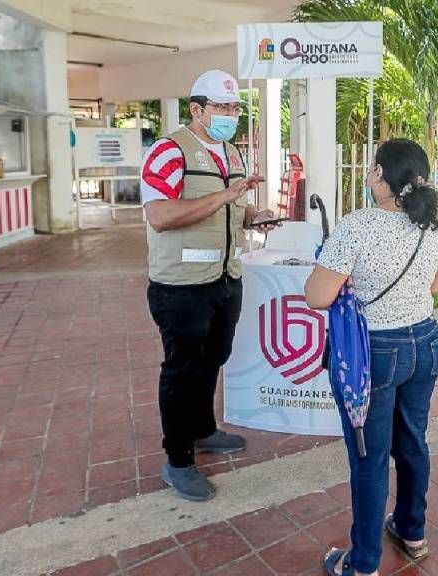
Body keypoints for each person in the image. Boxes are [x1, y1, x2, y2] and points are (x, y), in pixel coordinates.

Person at [304, 139, 438, 576]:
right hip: (426, 344)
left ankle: (363, 563)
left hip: (377, 354)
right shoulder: (433, 225)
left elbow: (317, 296)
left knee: (369, 458)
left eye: (372, 169)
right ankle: (411, 530)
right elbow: (435, 286)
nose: (368, 176)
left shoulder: (356, 226)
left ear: (382, 176)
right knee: (413, 442)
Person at [141, 69, 277, 501]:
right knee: (181, 370)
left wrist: (254, 215)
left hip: (225, 277)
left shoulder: (231, 154)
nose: (230, 115)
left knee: (212, 359)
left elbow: (229, 209)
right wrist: (225, 198)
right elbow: (160, 216)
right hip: (181, 285)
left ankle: (201, 430)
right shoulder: (168, 151)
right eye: (222, 107)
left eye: (235, 108)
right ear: (196, 110)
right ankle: (177, 460)